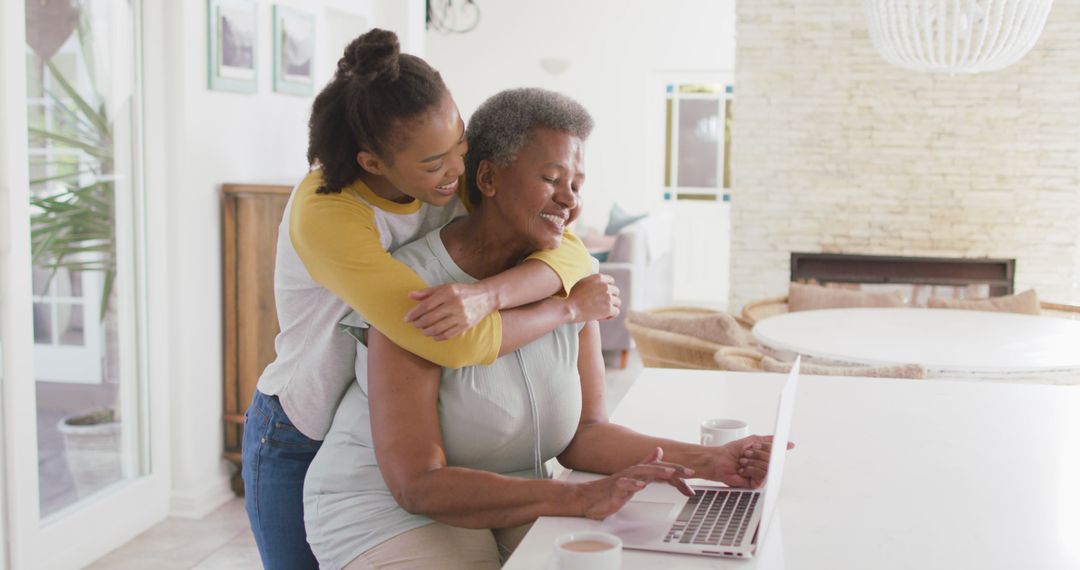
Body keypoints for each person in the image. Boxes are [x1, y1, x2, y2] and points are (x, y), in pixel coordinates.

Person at [303, 88, 790, 570]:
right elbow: (417, 484)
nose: (570, 200)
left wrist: (711, 463)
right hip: (387, 509)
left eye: (577, 183)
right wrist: (575, 498)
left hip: (508, 494)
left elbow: (586, 433)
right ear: (489, 178)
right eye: (552, 178)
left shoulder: (571, 286)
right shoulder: (416, 292)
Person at [242, 31, 613, 569]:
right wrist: (568, 310)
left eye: (460, 144)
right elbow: (456, 341)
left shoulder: (446, 177)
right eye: (436, 161)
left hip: (375, 418)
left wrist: (490, 293)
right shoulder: (328, 216)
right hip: (302, 425)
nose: (458, 170)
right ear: (372, 162)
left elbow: (569, 254)